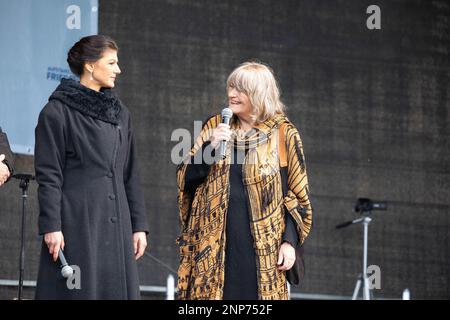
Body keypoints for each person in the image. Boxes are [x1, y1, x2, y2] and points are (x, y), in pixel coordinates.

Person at [176, 61, 313, 300]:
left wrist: (289, 242)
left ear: (258, 94)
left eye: (239, 89)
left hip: (262, 250)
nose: (231, 94)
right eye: (230, 87)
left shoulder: (283, 133)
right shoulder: (215, 125)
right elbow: (184, 179)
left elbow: (298, 196)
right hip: (213, 247)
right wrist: (210, 146)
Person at [35, 35, 149, 299]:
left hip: (117, 222)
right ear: (90, 65)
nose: (118, 69)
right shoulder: (57, 112)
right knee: (78, 290)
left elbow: (129, 173)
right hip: (77, 222)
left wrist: (138, 225)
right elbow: (49, 175)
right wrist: (52, 226)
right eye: (111, 62)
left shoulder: (120, 113)